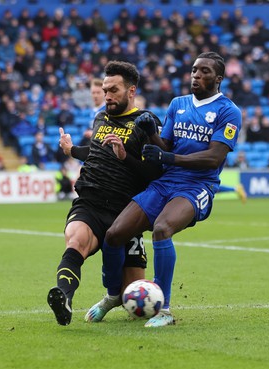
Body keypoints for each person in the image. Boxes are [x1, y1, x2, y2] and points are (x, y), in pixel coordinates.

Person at [87, 52, 242, 327]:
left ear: (218, 78)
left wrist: (170, 159)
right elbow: (166, 146)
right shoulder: (178, 104)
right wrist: (151, 134)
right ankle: (113, 295)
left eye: (204, 72)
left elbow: (214, 158)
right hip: (166, 182)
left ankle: (164, 310)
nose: (196, 76)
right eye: (194, 70)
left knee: (162, 228)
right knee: (114, 234)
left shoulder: (228, 111)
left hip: (198, 185)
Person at [47, 61, 162, 326]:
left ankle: (113, 296)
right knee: (75, 242)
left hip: (126, 210)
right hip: (91, 200)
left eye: (114, 90)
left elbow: (155, 175)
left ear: (131, 91)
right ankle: (64, 298)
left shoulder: (146, 122)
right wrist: (72, 150)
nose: (107, 95)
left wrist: (125, 157)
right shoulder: (101, 118)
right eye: (105, 89)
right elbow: (96, 151)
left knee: (131, 297)